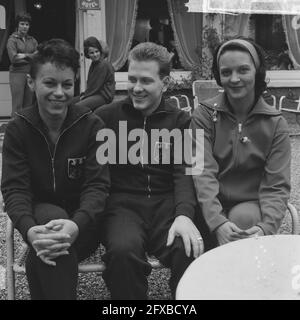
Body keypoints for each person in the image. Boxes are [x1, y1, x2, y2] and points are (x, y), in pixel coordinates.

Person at [1, 39, 110, 300]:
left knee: (46, 249)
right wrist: (28, 229)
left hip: (84, 226)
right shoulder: (18, 129)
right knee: (51, 235)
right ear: (31, 83)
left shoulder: (93, 125)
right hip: (39, 221)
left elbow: (99, 186)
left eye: (67, 84)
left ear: (76, 85)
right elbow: (14, 189)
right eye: (49, 83)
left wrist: (75, 224)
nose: (59, 92)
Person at [95, 42, 205, 300]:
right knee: (123, 252)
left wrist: (184, 215)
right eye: (131, 79)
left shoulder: (182, 121)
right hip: (122, 205)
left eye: (145, 80)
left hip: (166, 203)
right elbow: (96, 174)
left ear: (165, 83)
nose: (136, 88)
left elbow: (187, 172)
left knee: (189, 247)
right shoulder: (104, 117)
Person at [191, 38, 291, 246]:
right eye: (226, 72)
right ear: (219, 76)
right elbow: (201, 171)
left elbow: (277, 186)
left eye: (243, 70)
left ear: (257, 71)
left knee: (244, 219)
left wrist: (266, 228)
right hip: (205, 204)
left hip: (249, 205)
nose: (234, 79)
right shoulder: (203, 116)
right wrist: (217, 222)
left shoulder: (275, 124)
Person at [6, 12, 38, 117]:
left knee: (28, 104)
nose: (25, 27)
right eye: (22, 24)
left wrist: (23, 55)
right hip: (17, 73)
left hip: (30, 73)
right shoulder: (12, 40)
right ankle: (15, 130)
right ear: (17, 25)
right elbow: (14, 59)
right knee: (18, 104)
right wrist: (30, 56)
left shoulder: (32, 40)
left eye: (27, 24)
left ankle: (26, 130)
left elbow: (38, 56)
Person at [74, 36, 115, 111]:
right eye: (91, 53)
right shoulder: (94, 64)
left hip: (104, 96)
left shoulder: (103, 65)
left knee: (77, 107)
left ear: (100, 51)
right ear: (87, 54)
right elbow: (91, 85)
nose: (95, 55)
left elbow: (95, 86)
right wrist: (84, 94)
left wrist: (84, 96)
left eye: (97, 51)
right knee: (71, 101)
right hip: (96, 93)